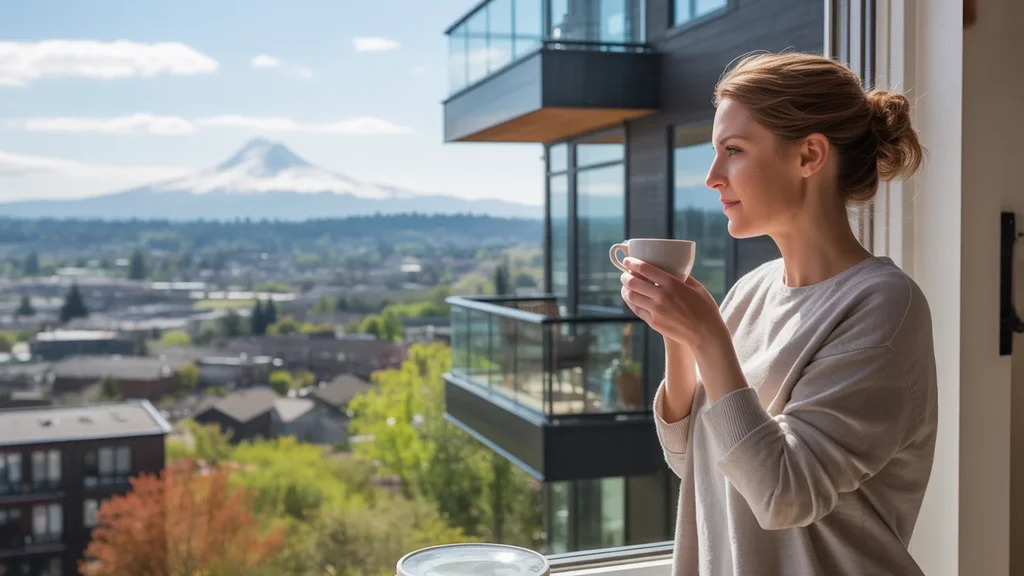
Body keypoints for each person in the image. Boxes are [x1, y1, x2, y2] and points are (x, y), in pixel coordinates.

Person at [618, 52, 937, 576]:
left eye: (734, 150)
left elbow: (781, 495)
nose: (713, 177)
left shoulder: (884, 307)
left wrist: (707, 335)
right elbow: (693, 461)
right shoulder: (750, 291)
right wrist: (678, 334)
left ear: (810, 155)